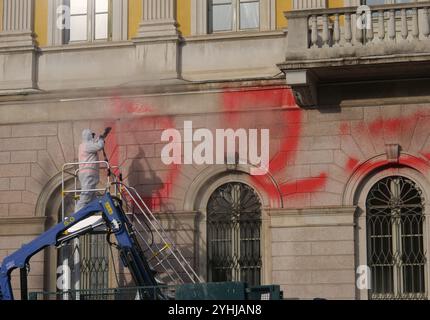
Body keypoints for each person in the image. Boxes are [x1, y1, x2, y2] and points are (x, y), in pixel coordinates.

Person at [75, 128, 105, 211]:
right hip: (88, 173)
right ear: (88, 136)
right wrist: (101, 139)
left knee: (91, 196)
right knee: (86, 194)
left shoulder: (84, 145)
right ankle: (76, 215)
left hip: (87, 173)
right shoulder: (86, 145)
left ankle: (91, 212)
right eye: (92, 135)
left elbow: (95, 145)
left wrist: (99, 139)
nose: (93, 137)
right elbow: (99, 146)